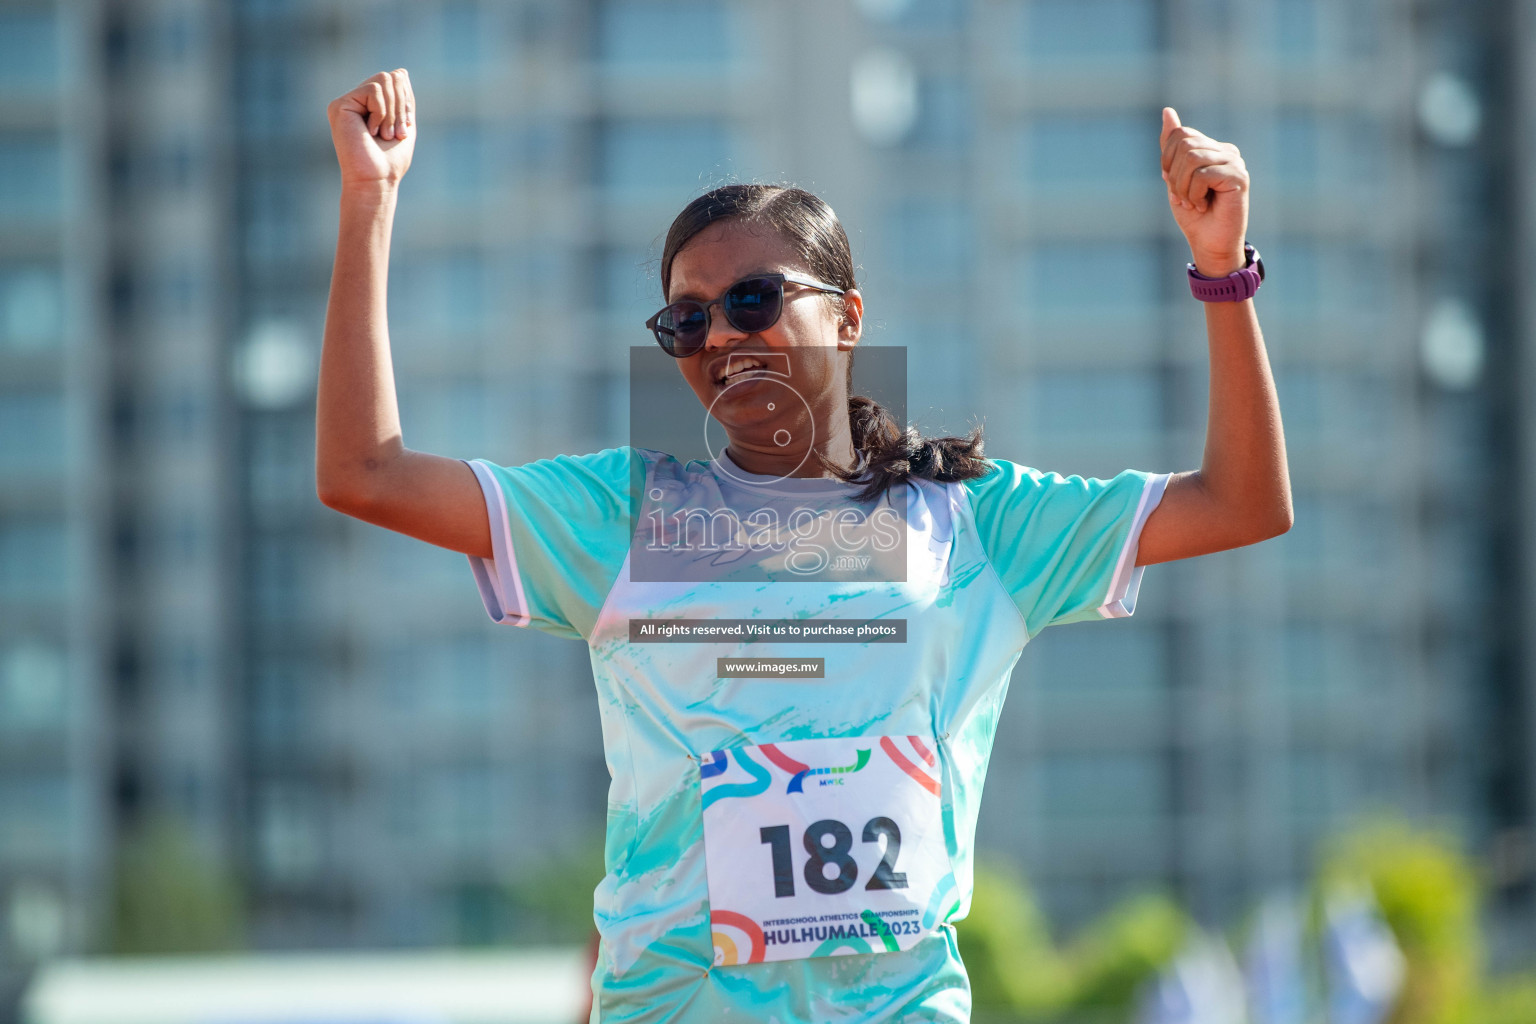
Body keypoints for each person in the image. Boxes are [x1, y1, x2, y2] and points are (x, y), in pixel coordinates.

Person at [319, 69, 1291, 1023]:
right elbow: (365, 472)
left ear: (849, 315)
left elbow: (1242, 504)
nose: (719, 336)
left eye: (753, 300)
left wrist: (1223, 266)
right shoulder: (624, 513)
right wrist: (370, 197)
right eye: (685, 319)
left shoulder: (978, 520)